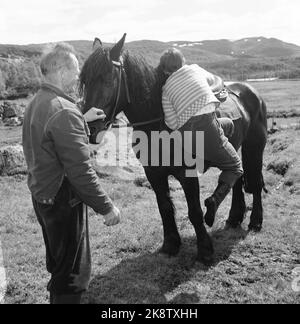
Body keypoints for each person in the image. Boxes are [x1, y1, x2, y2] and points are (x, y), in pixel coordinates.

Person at [22, 43, 121, 304]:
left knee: (59, 264)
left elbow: (53, 131)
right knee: (74, 275)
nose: (78, 77)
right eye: (76, 71)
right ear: (62, 70)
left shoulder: (38, 102)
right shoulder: (64, 112)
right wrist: (107, 207)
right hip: (63, 199)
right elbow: (81, 171)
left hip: (43, 195)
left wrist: (81, 116)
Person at [159, 48, 243, 228]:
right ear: (183, 62)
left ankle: (206, 159)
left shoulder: (165, 90)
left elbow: (171, 122)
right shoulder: (195, 69)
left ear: (165, 71)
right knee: (236, 167)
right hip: (207, 125)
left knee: (227, 124)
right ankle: (214, 200)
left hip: (185, 134)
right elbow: (216, 83)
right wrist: (211, 97)